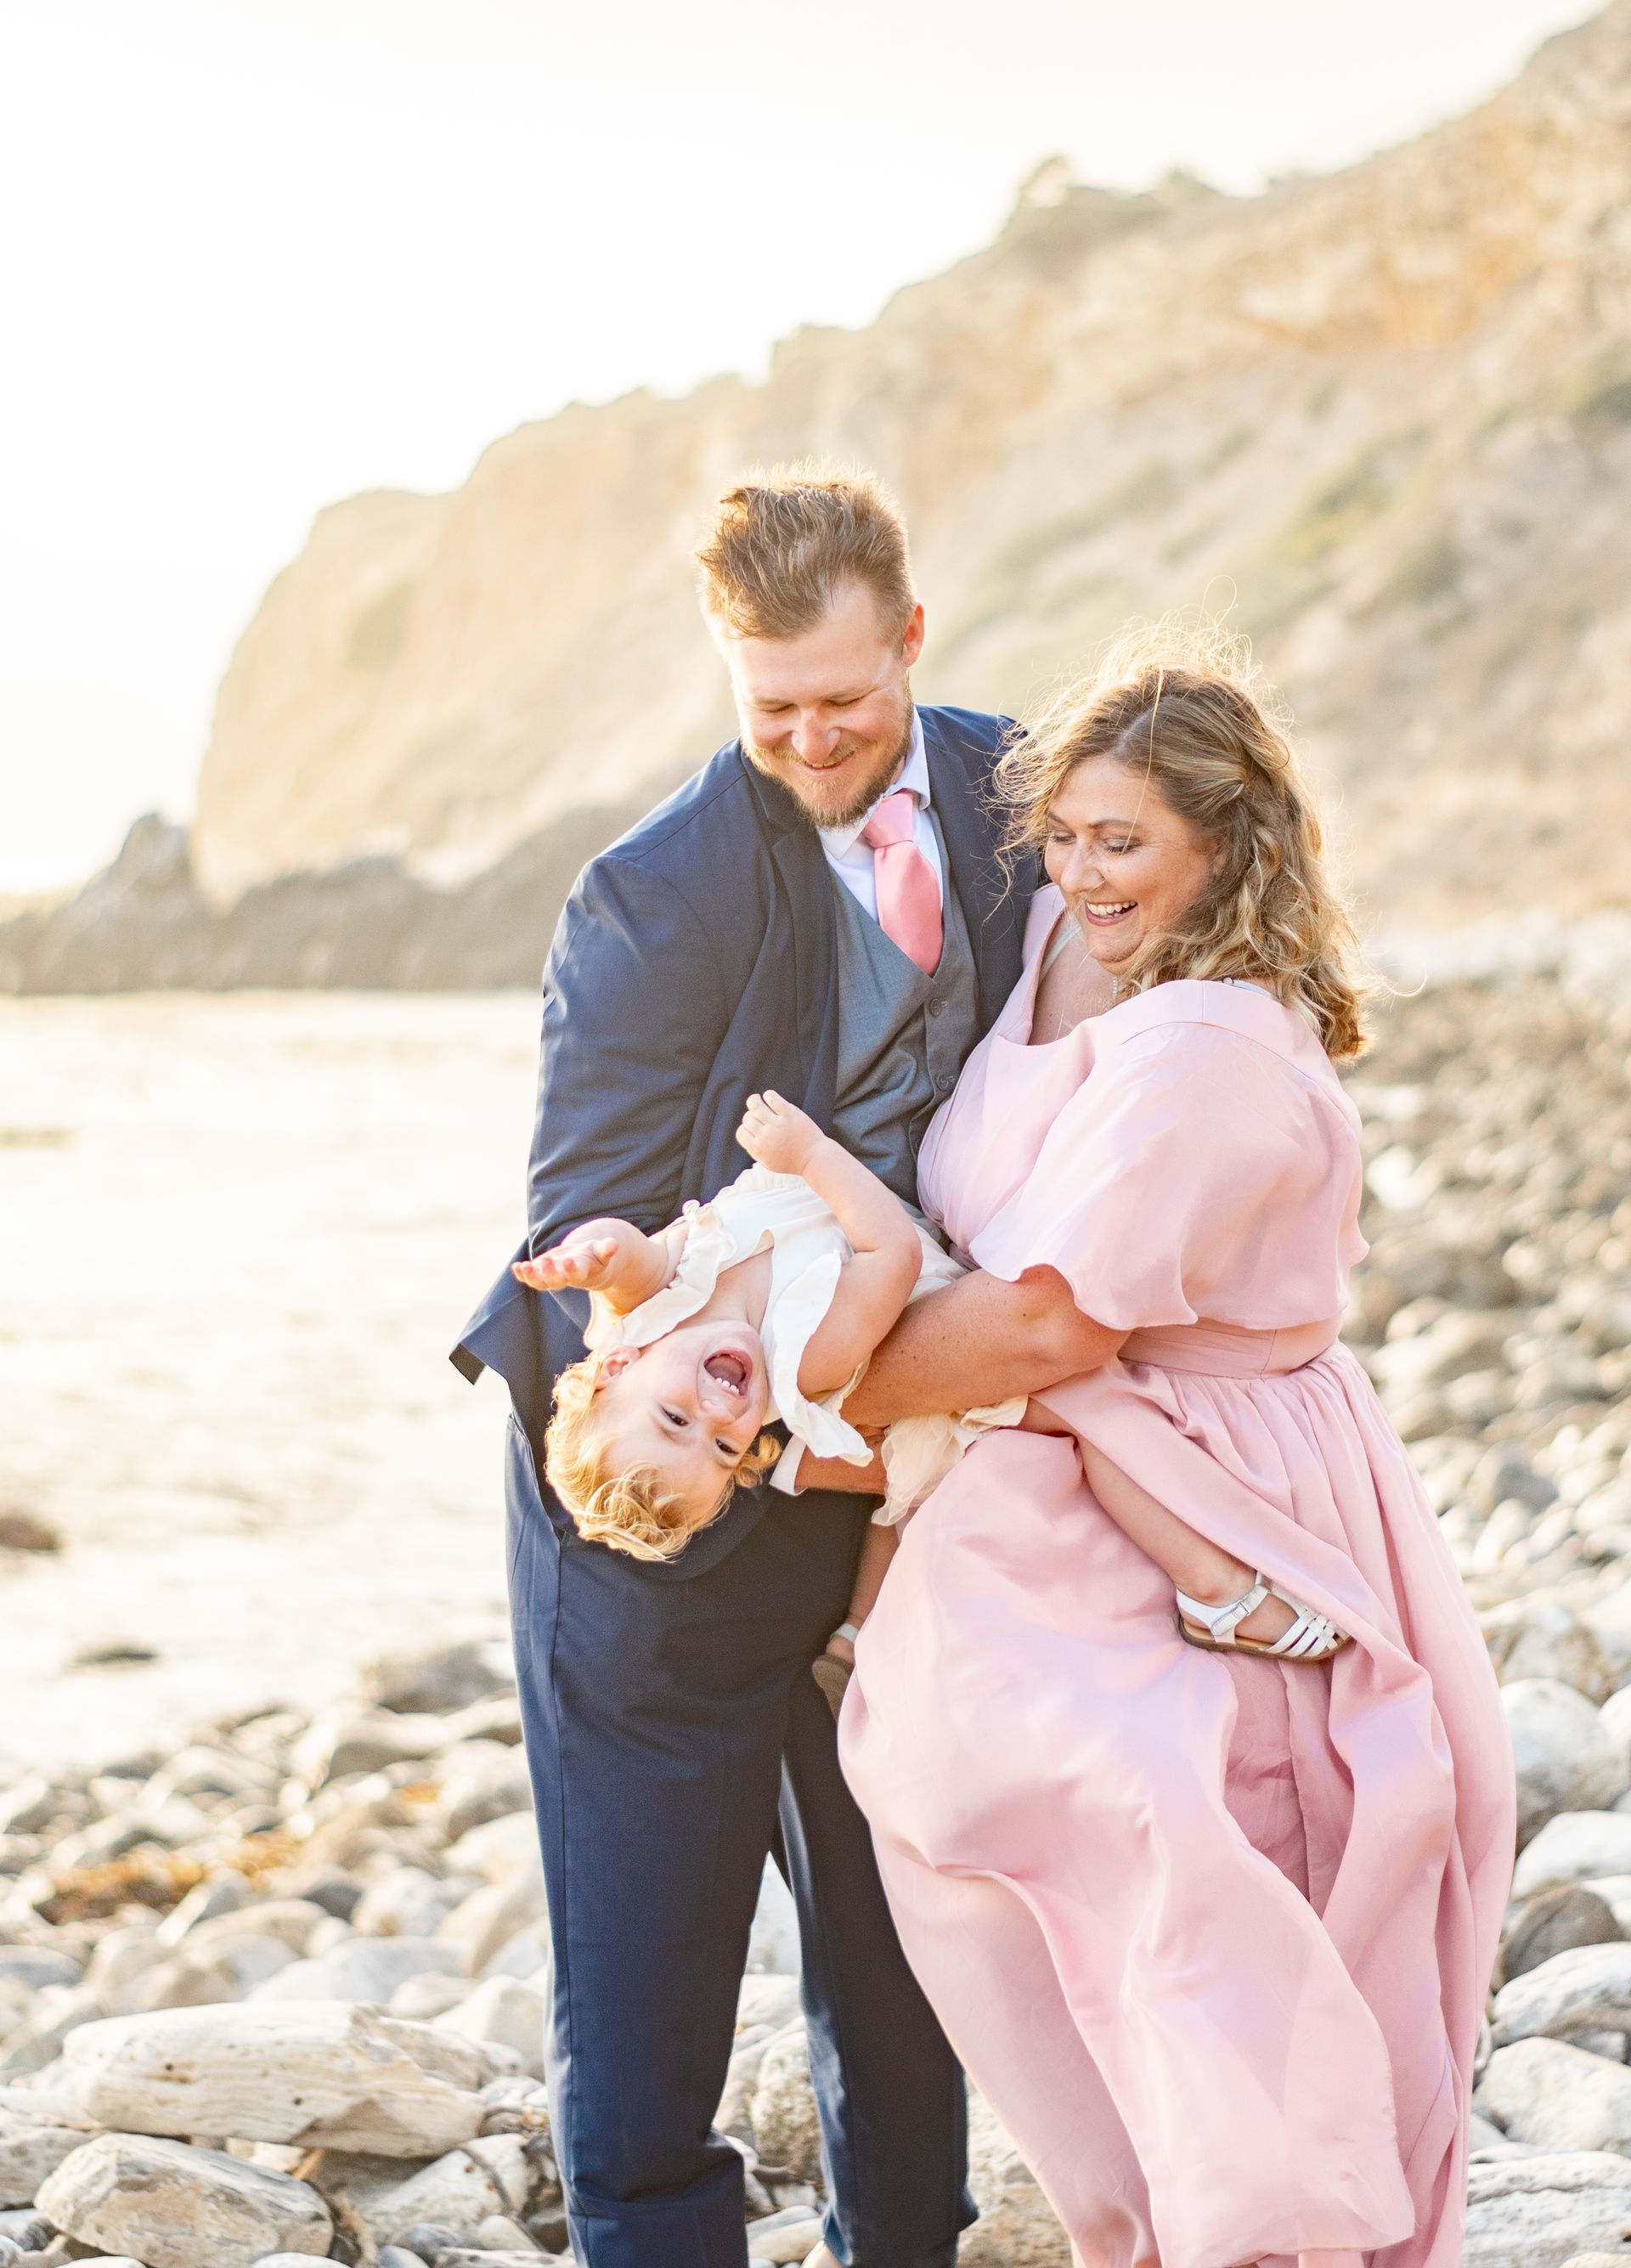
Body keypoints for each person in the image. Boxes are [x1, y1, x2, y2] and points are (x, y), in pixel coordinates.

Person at [838, 629, 1517, 2268]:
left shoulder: (1209, 1043)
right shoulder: (1069, 941)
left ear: (1229, 843)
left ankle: (1262, 2229)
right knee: (1005, 1840)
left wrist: (806, 1407)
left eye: (1122, 839)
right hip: (1056, 1479)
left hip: (1207, 1463)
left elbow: (1059, 1322)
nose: (1079, 872)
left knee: (1191, 1852)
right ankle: (1148, 2225)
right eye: (1063, 834)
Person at [454, 464, 1036, 2268]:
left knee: (905, 1994)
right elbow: (582, 1243)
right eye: (768, 708)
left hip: (897, 1531)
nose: (811, 740)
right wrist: (779, 1429)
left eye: (847, 704)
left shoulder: (1032, 801)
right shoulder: (647, 901)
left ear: (916, 641)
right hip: (668, 1535)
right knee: (646, 2054)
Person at [511, 1086, 1019, 1704]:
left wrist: (593, 1259)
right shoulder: (801, 1357)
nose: (721, 1413)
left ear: (619, 1362)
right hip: (956, 1298)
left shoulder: (652, 1311)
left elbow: (630, 1256)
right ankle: (865, 1636)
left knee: (907, 1500)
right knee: (912, 1497)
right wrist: (808, 1156)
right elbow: (893, 1252)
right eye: (725, 1447)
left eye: (675, 1419)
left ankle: (856, 1638)